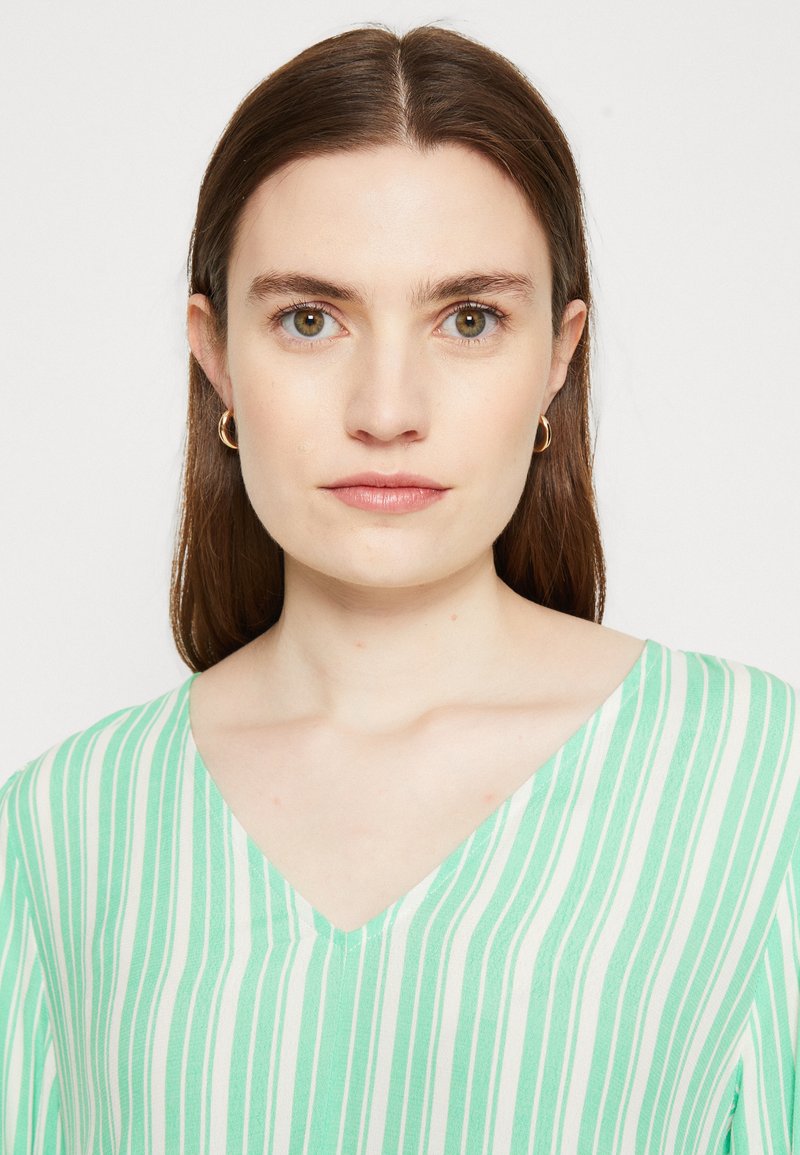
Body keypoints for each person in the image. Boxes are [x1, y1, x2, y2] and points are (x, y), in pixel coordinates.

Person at [1, 24, 798, 1155]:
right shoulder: (61, 826)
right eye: (309, 319)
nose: (386, 409)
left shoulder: (759, 788)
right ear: (215, 353)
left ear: (558, 354)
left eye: (469, 320)